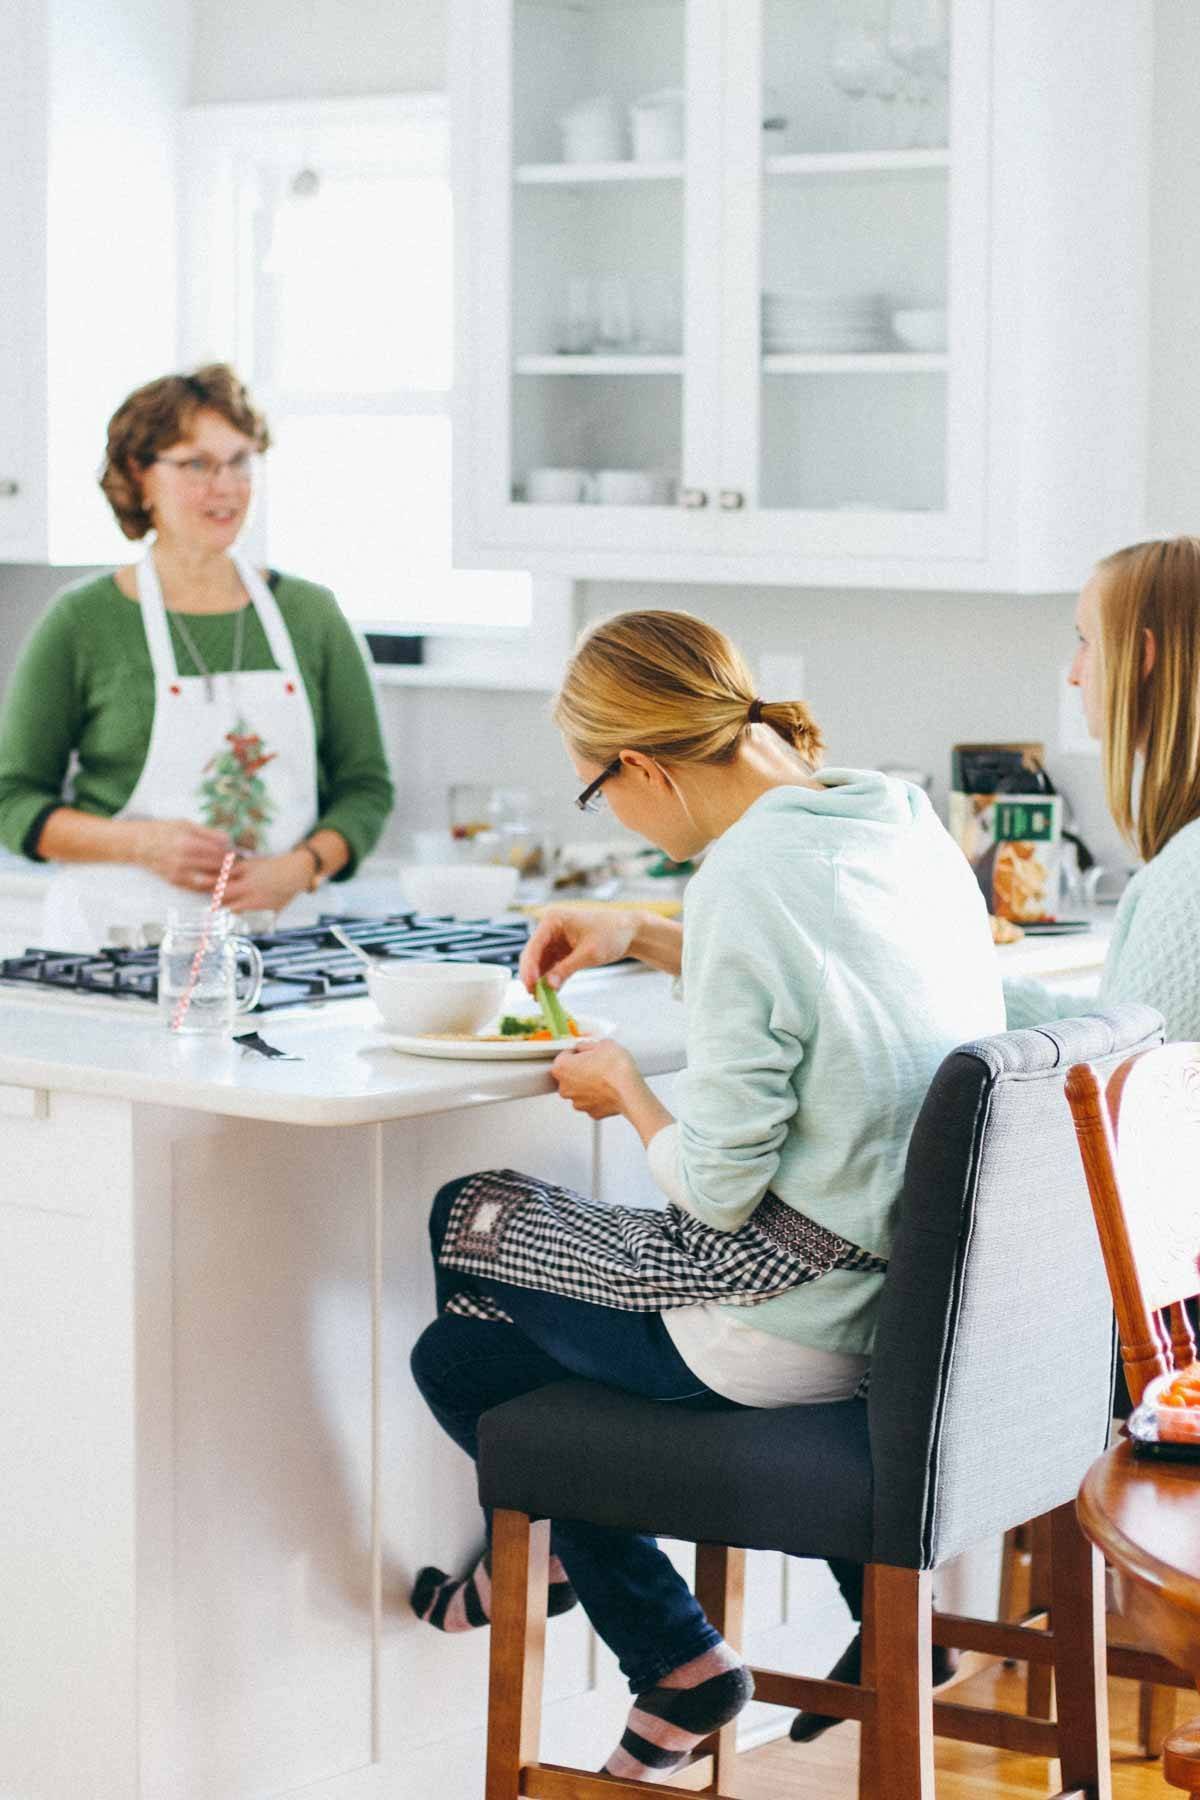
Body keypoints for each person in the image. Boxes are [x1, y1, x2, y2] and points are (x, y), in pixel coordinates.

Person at [408, 608, 1004, 1783]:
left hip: (778, 1319)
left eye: (598, 793)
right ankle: (611, 1579)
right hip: (905, 1309)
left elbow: (719, 1194)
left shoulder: (744, 880)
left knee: (462, 1252)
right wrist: (644, 929)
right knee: (472, 1338)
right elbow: (826, 969)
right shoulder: (895, 819)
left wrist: (623, 1087)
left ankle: (660, 1645)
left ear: (641, 767)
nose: (613, 817)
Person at [0, 364, 394, 950]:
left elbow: (366, 788)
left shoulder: (312, 615)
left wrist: (304, 865)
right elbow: (14, 798)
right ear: (140, 476)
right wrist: (141, 844)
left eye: (240, 461)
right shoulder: (81, 621)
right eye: (197, 464)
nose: (226, 486)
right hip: (117, 941)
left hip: (281, 945)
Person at [1004, 535, 1200, 1038]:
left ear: (1142, 657)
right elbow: (1125, 1018)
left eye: (1087, 641)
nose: (1074, 674)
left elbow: (1126, 1071)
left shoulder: (1189, 877)